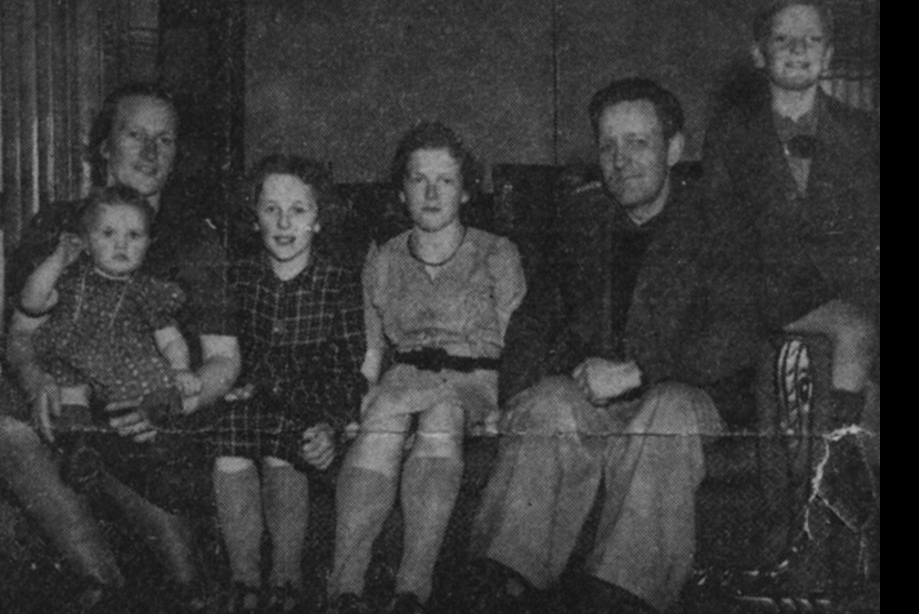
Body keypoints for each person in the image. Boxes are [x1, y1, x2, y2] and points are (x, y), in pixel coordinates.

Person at [466, 79, 756, 614]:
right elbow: (535, 319)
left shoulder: (720, 223)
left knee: (664, 412)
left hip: (692, 401)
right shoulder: (581, 220)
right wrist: (511, 399)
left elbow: (732, 336)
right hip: (595, 401)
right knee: (550, 402)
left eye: (638, 143)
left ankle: (619, 598)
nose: (620, 161)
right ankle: (505, 586)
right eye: (608, 146)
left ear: (673, 149)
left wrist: (639, 372)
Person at [1, 82, 240, 612]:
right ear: (104, 147)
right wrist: (34, 378)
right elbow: (20, 335)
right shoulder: (56, 227)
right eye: (135, 135)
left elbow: (225, 358)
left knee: (187, 582)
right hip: (66, 396)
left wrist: (176, 402)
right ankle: (100, 583)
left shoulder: (193, 239)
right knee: (5, 423)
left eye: (166, 140)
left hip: (156, 409)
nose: (151, 153)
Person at [701, 0, 880, 580]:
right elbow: (722, 238)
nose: (798, 50)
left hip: (840, 291)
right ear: (759, 54)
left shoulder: (862, 131)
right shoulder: (732, 134)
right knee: (849, 330)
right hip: (760, 295)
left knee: (852, 324)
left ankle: (838, 511)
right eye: (783, 39)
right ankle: (839, 455)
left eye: (812, 40)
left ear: (829, 56)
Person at [326, 123, 526, 614]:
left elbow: (519, 343)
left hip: (475, 381)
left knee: (440, 419)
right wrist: (363, 395)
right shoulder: (385, 258)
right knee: (380, 425)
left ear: (465, 191)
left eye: (446, 180)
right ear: (402, 191)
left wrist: (506, 406)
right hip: (406, 377)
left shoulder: (496, 252)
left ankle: (413, 588)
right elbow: (373, 350)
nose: (433, 192)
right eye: (419, 180)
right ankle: (344, 589)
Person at [213, 156, 367, 613]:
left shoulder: (339, 283)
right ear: (253, 215)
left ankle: (285, 577)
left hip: (309, 401)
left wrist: (332, 424)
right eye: (270, 209)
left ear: (319, 221)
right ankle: (244, 579)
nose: (283, 222)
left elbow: (347, 366)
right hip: (248, 398)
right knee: (230, 439)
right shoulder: (238, 277)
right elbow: (221, 352)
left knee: (289, 445)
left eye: (299, 210)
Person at [21, 186, 201, 432]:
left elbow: (169, 339)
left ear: (148, 244)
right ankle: (78, 444)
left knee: (159, 393)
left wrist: (181, 369)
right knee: (66, 404)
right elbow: (31, 302)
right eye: (108, 233)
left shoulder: (147, 291)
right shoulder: (69, 278)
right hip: (71, 360)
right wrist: (58, 259)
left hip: (127, 366)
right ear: (86, 241)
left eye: (134, 235)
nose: (121, 244)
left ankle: (153, 443)